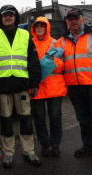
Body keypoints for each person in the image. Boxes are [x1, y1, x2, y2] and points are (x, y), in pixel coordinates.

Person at [55, 9, 92, 170]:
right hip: (74, 88)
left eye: (77, 18)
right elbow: (54, 61)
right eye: (70, 19)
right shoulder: (61, 41)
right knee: (83, 120)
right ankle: (89, 146)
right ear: (67, 22)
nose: (74, 21)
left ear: (83, 19)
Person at [0, 5, 42, 168]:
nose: (8, 17)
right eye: (5, 15)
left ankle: (29, 151)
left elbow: (33, 60)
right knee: (6, 122)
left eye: (11, 15)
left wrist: (35, 82)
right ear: (0, 18)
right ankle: (8, 154)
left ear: (16, 17)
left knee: (26, 120)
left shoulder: (25, 35)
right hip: (1, 87)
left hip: (22, 85)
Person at [30, 17, 67, 157]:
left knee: (55, 116)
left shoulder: (55, 43)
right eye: (37, 26)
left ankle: (55, 143)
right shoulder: (30, 44)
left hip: (54, 86)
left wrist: (50, 63)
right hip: (37, 87)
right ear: (33, 29)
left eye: (42, 26)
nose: (39, 28)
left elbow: (63, 64)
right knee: (39, 117)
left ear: (47, 28)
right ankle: (44, 143)